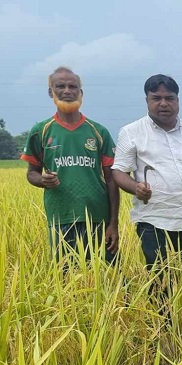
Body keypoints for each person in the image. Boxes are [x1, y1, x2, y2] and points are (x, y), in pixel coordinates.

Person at [112, 74, 182, 303]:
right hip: (155, 220)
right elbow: (119, 172)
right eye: (156, 98)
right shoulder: (131, 132)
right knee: (160, 281)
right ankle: (164, 331)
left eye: (169, 98)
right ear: (147, 101)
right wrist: (136, 187)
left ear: (178, 100)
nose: (164, 103)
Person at [20, 66, 119, 263]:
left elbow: (112, 180)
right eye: (60, 86)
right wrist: (42, 180)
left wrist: (113, 224)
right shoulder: (41, 131)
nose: (67, 91)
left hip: (98, 217)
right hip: (60, 218)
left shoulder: (98, 131)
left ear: (80, 92)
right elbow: (31, 172)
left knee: (108, 278)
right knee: (66, 280)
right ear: (51, 92)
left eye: (72, 86)